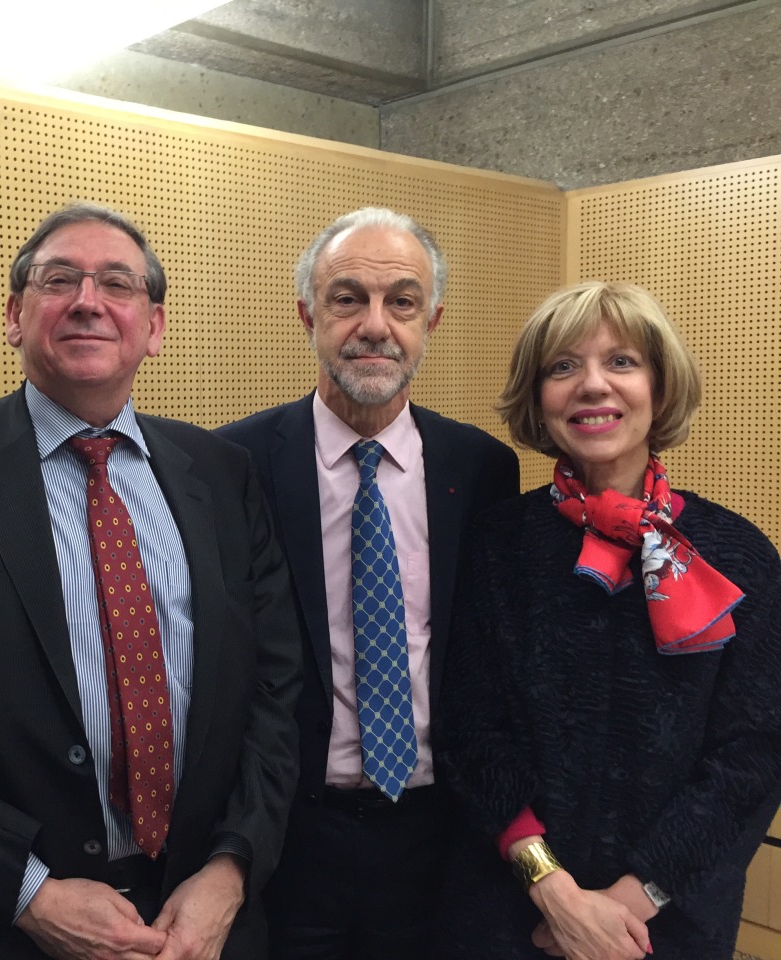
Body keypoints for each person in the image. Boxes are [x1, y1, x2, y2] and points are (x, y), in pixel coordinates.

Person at [0, 202, 303, 960]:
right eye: (59, 281)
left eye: (118, 283)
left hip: (203, 922)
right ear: (15, 316)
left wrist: (231, 868)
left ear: (154, 327)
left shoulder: (220, 474)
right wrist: (29, 892)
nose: (88, 301)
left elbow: (277, 690)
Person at [432, 281, 781, 960]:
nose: (592, 385)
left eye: (621, 362)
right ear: (539, 397)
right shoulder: (496, 542)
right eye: (563, 367)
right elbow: (470, 732)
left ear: (660, 384)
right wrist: (553, 892)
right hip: (509, 915)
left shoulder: (739, 554)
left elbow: (752, 755)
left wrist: (627, 905)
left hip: (665, 926)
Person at [217, 207, 520, 959]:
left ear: (432, 320)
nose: (375, 325)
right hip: (291, 837)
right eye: (348, 298)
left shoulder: (482, 470)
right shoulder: (232, 465)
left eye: (403, 302)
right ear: (308, 313)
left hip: (442, 835)